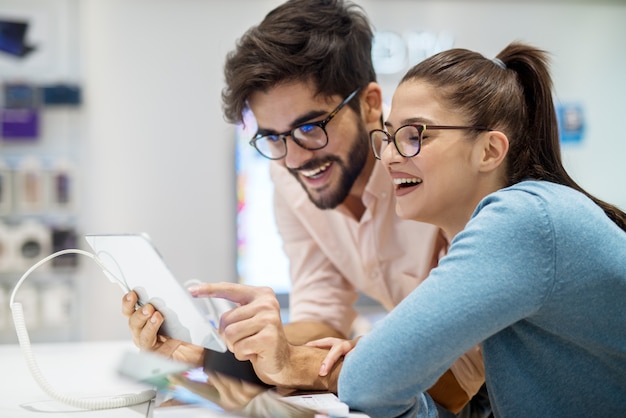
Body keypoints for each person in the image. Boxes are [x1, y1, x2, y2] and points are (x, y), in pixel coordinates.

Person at [192, 41, 626, 416]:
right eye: (391, 136)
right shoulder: (514, 220)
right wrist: (218, 352)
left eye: (416, 135)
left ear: (490, 150)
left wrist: (302, 364)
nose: (393, 157)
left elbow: (373, 382)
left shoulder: (522, 220)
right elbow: (384, 384)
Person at [122, 0, 487, 415]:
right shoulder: (291, 178)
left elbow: (460, 382)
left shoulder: (438, 173)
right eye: (273, 138)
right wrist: (217, 355)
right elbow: (323, 314)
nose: (295, 159)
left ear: (369, 105)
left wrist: (298, 364)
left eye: (311, 128)